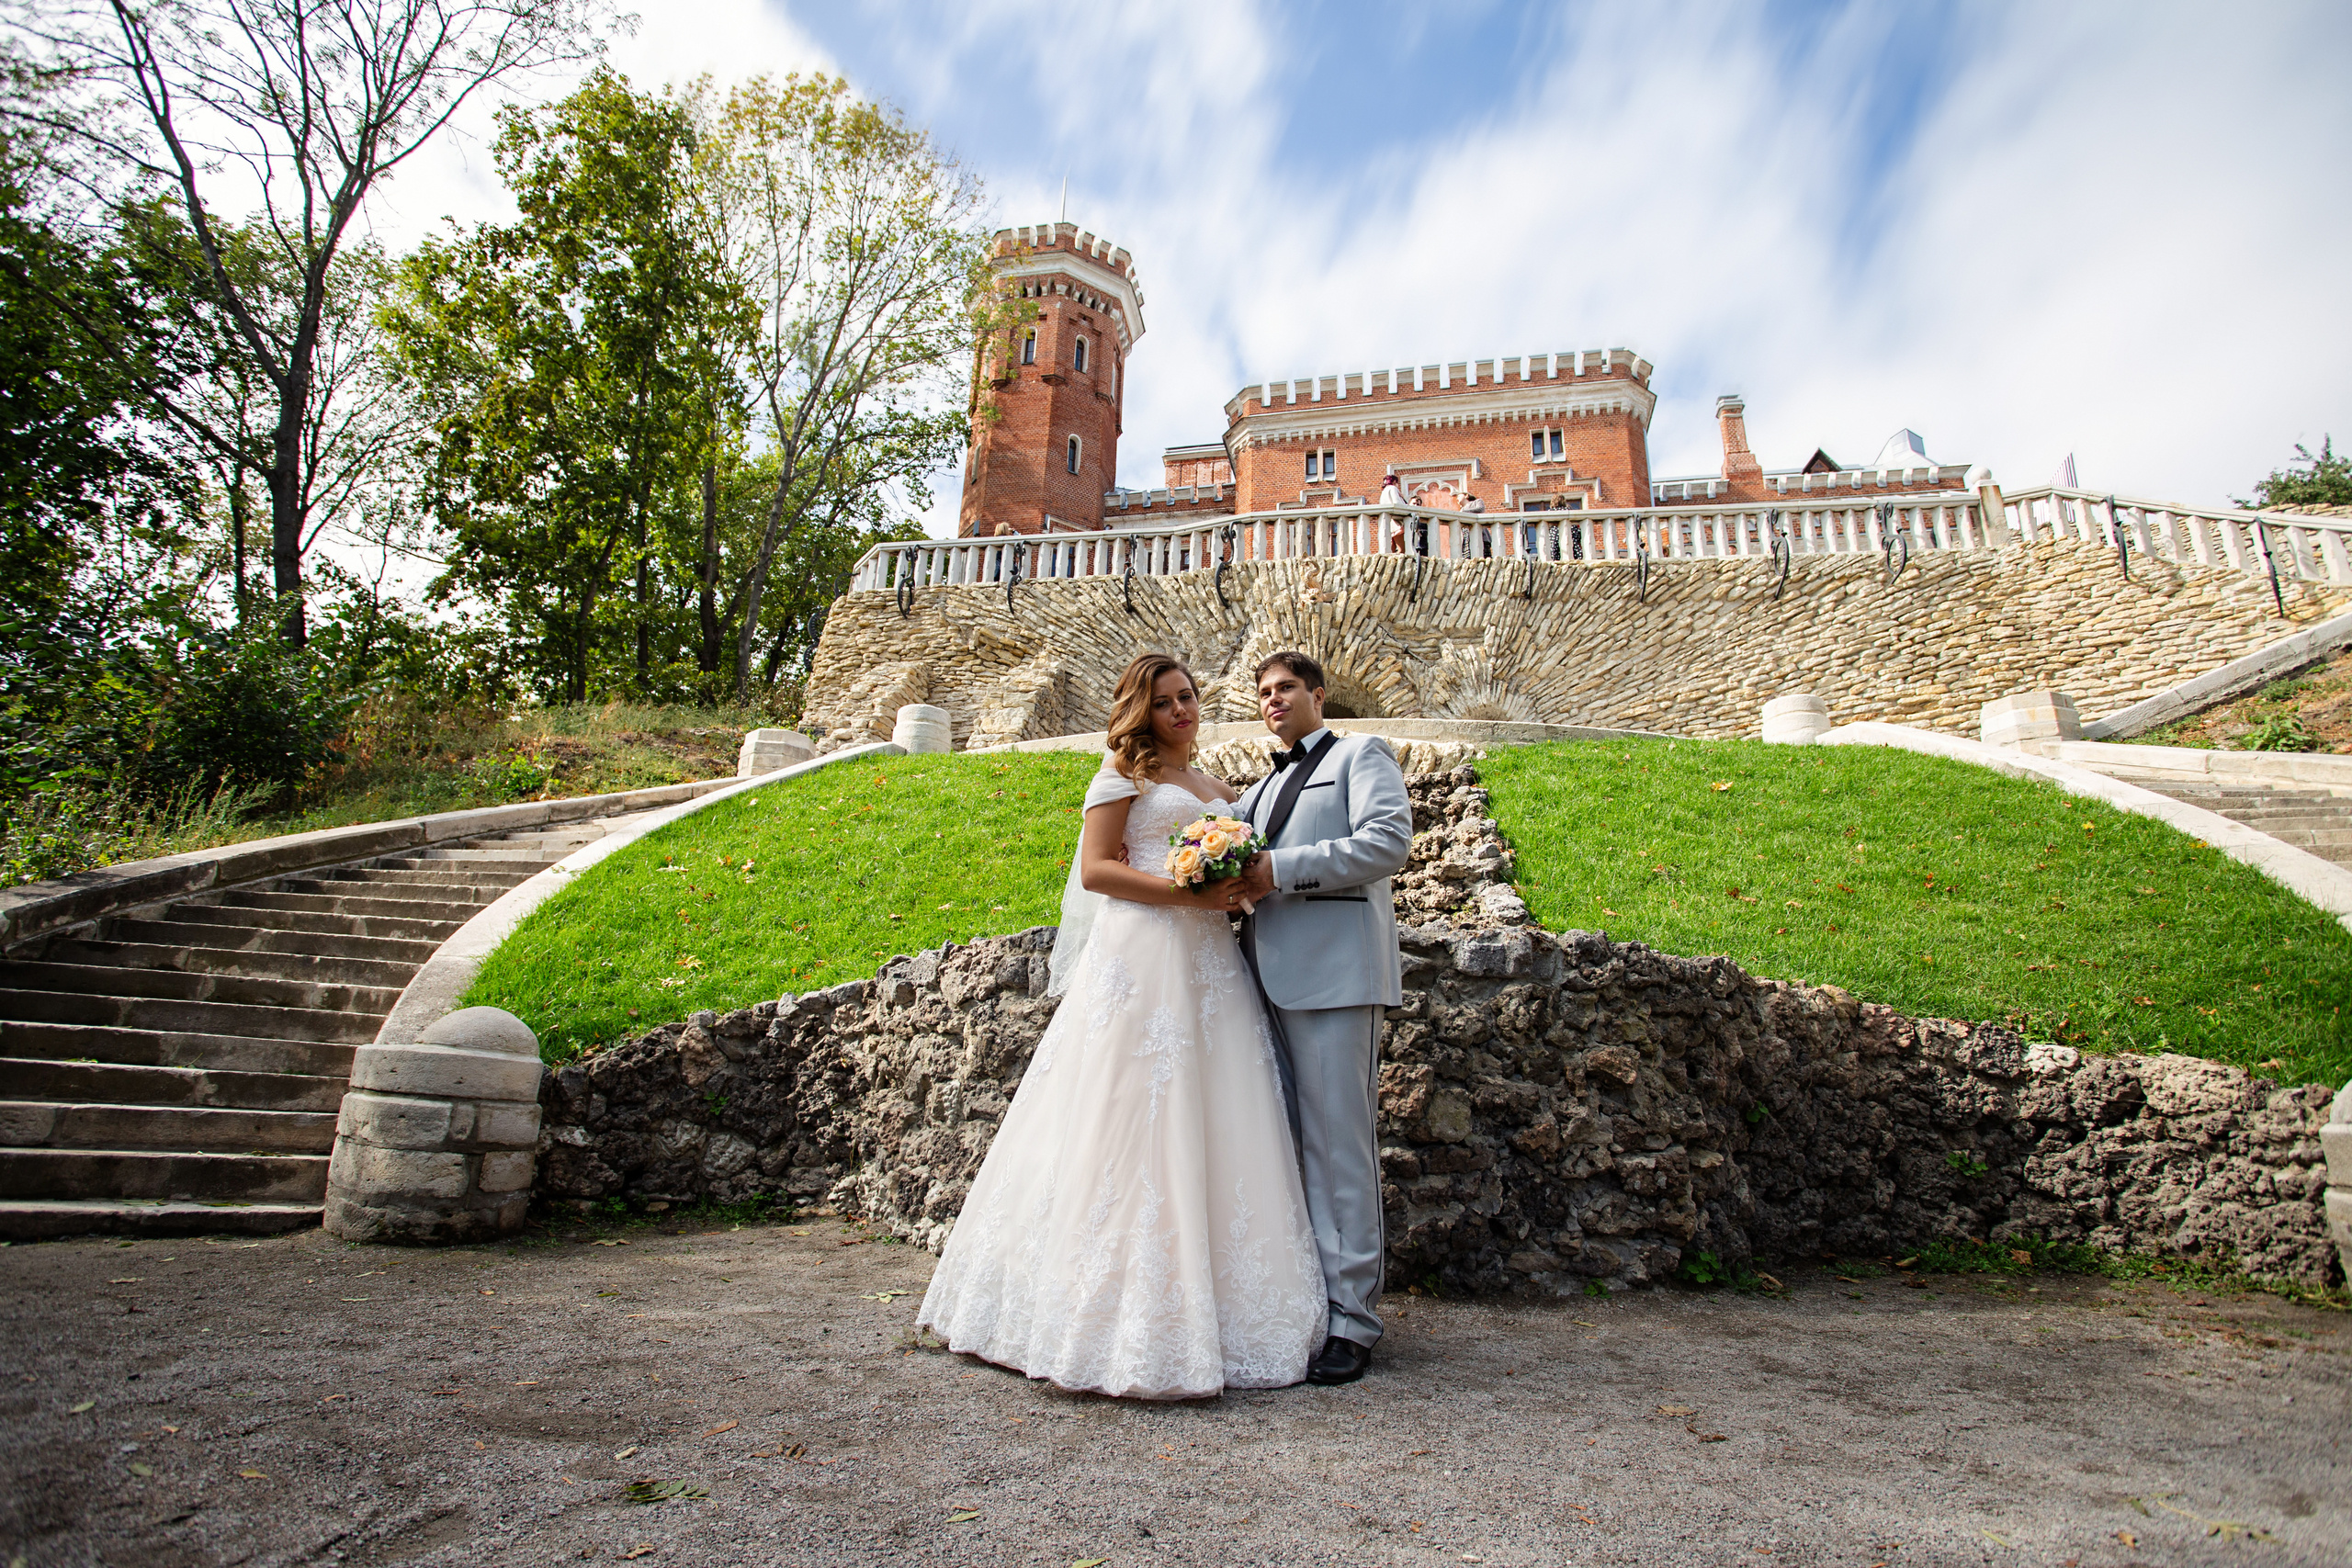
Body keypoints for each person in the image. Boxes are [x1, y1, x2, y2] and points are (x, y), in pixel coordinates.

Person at [917, 653, 1326, 1400]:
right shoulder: (1122, 774)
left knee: (1221, 1115)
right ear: (1142, 710)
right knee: (1131, 1115)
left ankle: (1222, 1314)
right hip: (1142, 959)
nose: (1181, 710)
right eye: (1165, 701)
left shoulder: (1216, 787)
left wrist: (1232, 888)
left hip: (1211, 966)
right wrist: (1187, 894)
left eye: (1188, 696)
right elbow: (1098, 870)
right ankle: (1100, 1320)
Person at [1231, 652, 1414, 1385]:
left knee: (1340, 1149)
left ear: (1319, 694)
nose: (1274, 699)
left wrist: (1279, 870)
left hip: (1336, 977)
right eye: (1263, 692)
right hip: (1257, 979)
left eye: (1286, 688)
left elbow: (1386, 842)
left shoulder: (1360, 756)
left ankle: (1353, 1320)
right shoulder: (1256, 788)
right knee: (1281, 1146)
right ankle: (1305, 1303)